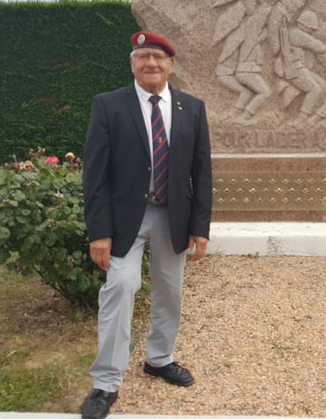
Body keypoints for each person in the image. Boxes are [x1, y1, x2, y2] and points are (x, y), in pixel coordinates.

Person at [79, 30, 213, 419]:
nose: (150, 63)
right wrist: (99, 232)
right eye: (142, 57)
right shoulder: (109, 105)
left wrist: (200, 226)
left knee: (170, 291)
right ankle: (106, 381)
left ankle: (159, 358)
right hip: (125, 219)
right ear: (132, 65)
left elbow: (202, 171)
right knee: (120, 287)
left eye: (158, 57)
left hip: (173, 216)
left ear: (171, 65)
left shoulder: (192, 108)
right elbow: (95, 174)